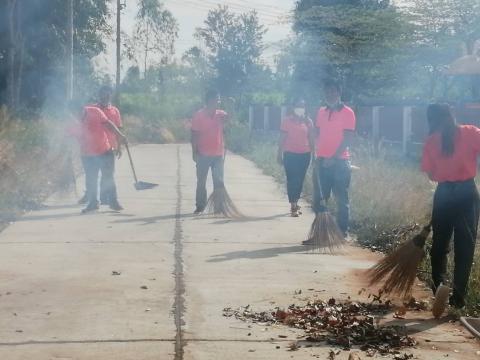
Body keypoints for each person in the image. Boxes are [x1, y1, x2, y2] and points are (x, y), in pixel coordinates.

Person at [421, 103, 480, 314]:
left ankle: (439, 289)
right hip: (467, 194)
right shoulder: (471, 132)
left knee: (439, 246)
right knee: (465, 247)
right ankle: (458, 300)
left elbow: (432, 175)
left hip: (444, 194)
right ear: (452, 116)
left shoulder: (431, 141)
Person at [305, 79, 355, 243]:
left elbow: (347, 138)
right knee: (319, 199)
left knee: (341, 200)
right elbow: (318, 133)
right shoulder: (321, 111)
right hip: (321, 161)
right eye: (327, 91)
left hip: (340, 162)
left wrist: (333, 158)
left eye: (333, 91)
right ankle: (320, 234)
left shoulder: (348, 112)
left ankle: (341, 234)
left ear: (339, 92)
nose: (330, 94)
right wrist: (315, 150)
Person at [77, 104, 127, 214]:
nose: (76, 115)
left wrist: (120, 135)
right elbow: (67, 138)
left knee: (108, 177)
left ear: (83, 108)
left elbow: (109, 124)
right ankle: (93, 203)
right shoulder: (72, 120)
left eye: (78, 111)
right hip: (87, 154)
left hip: (105, 150)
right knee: (91, 179)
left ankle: (113, 202)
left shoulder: (94, 111)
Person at [191, 89, 228, 214]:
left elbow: (230, 120)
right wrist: (194, 151)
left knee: (219, 180)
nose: (219, 101)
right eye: (217, 99)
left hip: (218, 154)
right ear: (210, 100)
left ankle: (219, 206)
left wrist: (232, 108)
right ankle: (200, 205)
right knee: (201, 181)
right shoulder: (199, 115)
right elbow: (194, 134)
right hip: (203, 154)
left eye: (219, 99)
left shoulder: (221, 114)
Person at [277, 99, 314, 217]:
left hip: (305, 155)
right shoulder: (287, 121)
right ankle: (293, 206)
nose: (300, 108)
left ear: (305, 108)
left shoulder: (308, 122)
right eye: (298, 105)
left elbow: (311, 139)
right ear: (293, 107)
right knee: (292, 179)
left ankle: (295, 202)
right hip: (290, 154)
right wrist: (279, 153)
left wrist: (314, 154)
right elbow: (282, 138)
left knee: (300, 180)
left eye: (302, 106)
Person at [95, 85, 123, 209]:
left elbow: (119, 129)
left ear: (110, 95)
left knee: (108, 174)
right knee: (95, 175)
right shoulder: (93, 109)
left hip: (109, 147)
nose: (105, 97)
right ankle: (99, 198)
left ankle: (112, 200)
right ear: (99, 95)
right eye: (103, 94)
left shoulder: (115, 111)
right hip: (94, 147)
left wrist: (119, 147)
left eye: (108, 94)